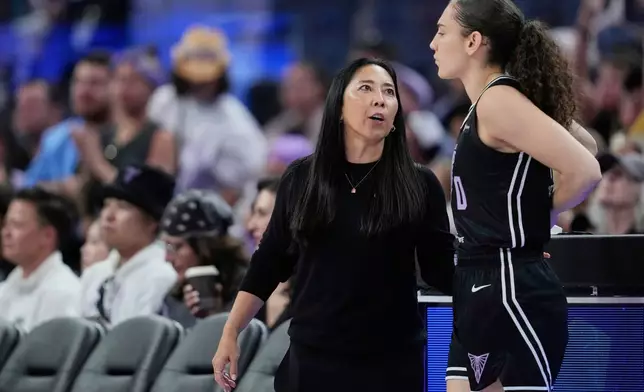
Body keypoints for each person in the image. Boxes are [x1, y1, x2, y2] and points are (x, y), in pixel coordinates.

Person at [211, 57, 455, 392]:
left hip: (390, 363)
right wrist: (231, 331)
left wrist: (503, 261)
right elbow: (269, 261)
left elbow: (442, 270)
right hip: (311, 360)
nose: (379, 99)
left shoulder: (419, 183)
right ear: (338, 106)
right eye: (366, 89)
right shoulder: (301, 178)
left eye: (388, 92)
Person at [430, 1, 602, 392]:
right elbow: (586, 144)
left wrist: (533, 216)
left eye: (442, 32)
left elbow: (586, 167)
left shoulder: (497, 101)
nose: (432, 43)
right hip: (480, 279)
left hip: (509, 285)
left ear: (473, 41)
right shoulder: (491, 102)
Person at [160, 189, 247, 329]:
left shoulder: (249, 290)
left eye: (177, 247)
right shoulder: (173, 298)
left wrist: (215, 316)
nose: (168, 258)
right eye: (167, 246)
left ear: (206, 247)